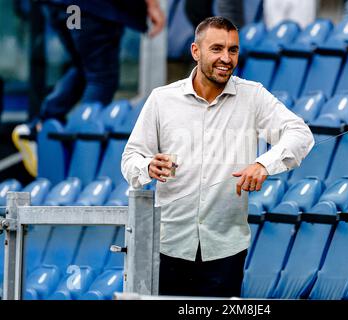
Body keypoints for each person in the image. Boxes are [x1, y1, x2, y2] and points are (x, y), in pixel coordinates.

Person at [121, 16, 314, 297]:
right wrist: (147, 165)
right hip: (168, 245)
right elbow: (130, 158)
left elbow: (300, 133)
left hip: (225, 251)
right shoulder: (162, 99)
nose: (226, 58)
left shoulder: (253, 96)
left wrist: (264, 164)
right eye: (217, 49)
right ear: (195, 51)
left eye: (233, 50)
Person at [12, 0, 165, 177]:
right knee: (101, 78)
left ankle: (37, 126)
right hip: (89, 9)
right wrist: (153, 5)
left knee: (85, 68)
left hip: (66, 9)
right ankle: (84, 146)